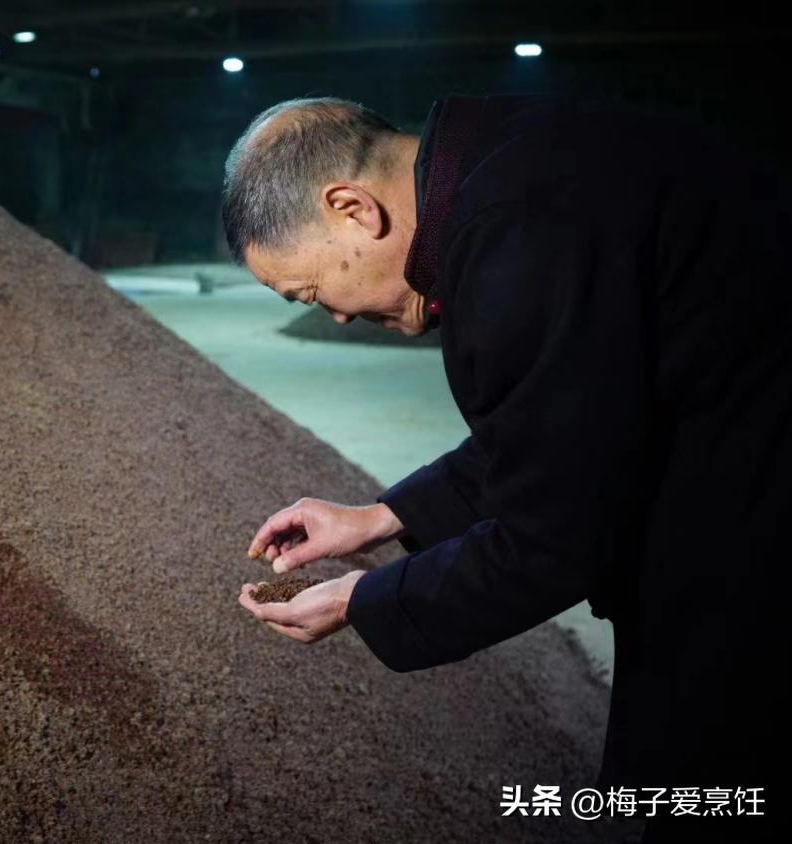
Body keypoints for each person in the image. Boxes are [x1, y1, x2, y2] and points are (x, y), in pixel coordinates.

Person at [226, 94, 789, 839]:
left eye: (308, 289)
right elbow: (575, 425)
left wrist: (358, 601)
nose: (329, 313)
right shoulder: (512, 154)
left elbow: (555, 540)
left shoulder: (514, 233)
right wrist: (385, 517)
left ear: (352, 208)